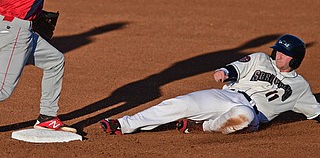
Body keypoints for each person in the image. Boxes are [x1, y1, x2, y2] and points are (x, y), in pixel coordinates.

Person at [100, 34, 320, 135]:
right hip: (229, 96)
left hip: (252, 114)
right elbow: (235, 68)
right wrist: (224, 71)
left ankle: (201, 127)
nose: (279, 56)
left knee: (244, 114)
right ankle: (124, 124)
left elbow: (316, 112)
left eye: (285, 54)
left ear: (296, 59)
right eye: (278, 51)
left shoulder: (300, 88)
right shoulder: (261, 59)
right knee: (179, 104)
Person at [0, 0, 84, 132]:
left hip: (10, 25)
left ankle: (47, 116)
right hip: (16, 32)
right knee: (3, 90)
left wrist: (33, 14)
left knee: (55, 60)